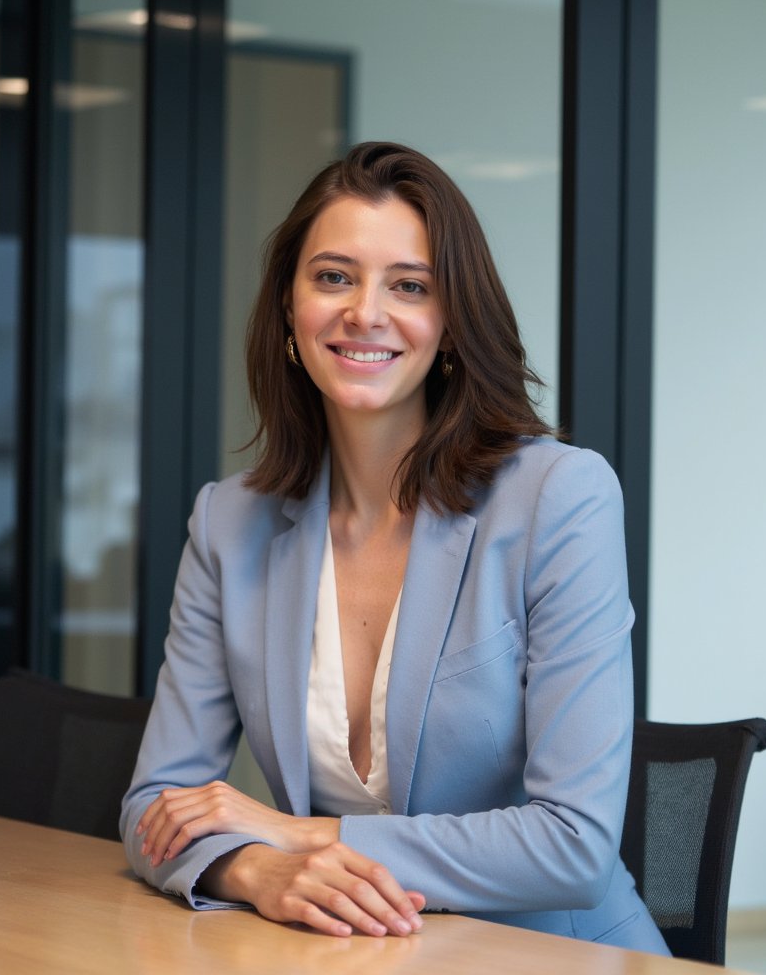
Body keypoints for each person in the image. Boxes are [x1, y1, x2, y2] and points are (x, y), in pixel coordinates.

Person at [120, 141, 669, 954]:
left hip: (551, 956)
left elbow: (575, 845)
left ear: (450, 325)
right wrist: (253, 871)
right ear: (287, 310)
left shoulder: (560, 497)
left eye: (408, 286)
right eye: (334, 277)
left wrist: (298, 834)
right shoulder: (229, 523)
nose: (365, 312)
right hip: (337, 952)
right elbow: (153, 807)